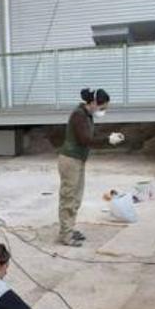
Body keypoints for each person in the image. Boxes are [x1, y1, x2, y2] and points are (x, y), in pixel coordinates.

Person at [58, 88, 126, 246]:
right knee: (68, 198)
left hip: (78, 160)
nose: (103, 111)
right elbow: (85, 139)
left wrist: (109, 137)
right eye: (102, 107)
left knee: (76, 199)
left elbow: (88, 136)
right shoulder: (79, 115)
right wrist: (108, 140)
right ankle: (66, 235)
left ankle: (69, 229)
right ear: (94, 103)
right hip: (70, 160)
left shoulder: (86, 114)